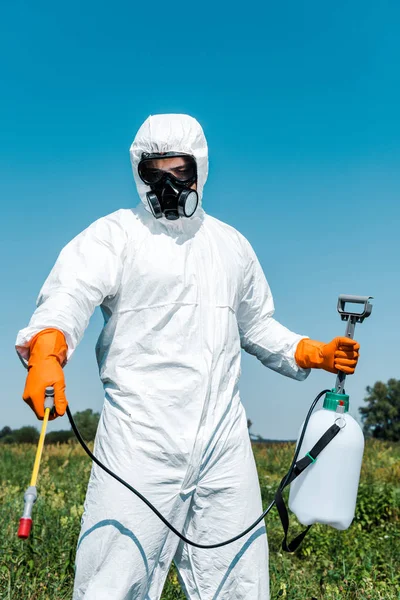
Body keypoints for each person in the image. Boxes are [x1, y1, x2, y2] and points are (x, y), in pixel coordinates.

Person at [16, 114, 360, 600]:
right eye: (155, 174)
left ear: (199, 170)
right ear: (140, 174)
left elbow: (257, 324)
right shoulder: (115, 235)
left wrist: (309, 352)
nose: (167, 186)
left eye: (179, 173)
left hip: (223, 444)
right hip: (138, 444)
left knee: (240, 583)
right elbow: (68, 293)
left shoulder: (230, 245)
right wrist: (48, 347)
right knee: (111, 583)